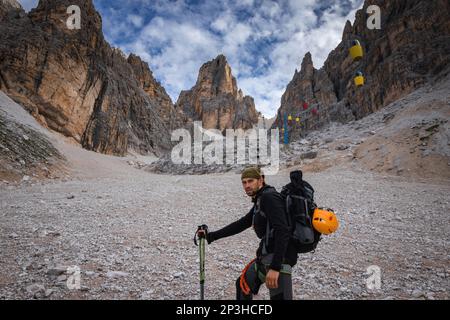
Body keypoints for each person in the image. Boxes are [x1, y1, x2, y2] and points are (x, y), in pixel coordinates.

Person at [199, 167, 298, 300]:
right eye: (244, 182)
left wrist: (275, 267)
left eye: (250, 181)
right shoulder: (261, 198)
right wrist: (211, 236)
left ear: (261, 180)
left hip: (280, 259)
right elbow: (242, 223)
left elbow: (283, 230)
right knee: (242, 284)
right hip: (267, 256)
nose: (247, 186)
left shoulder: (269, 197)